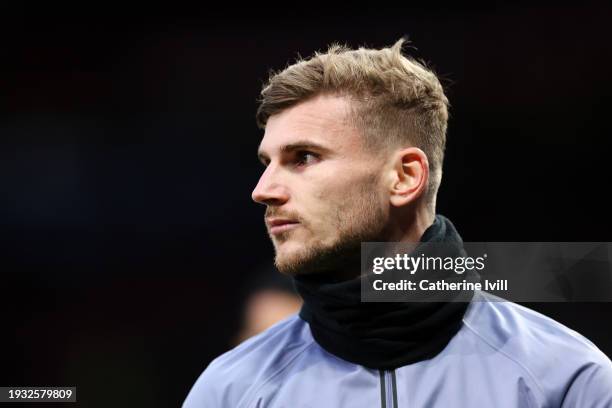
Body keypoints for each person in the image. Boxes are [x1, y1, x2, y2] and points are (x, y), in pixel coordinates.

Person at [183, 39, 612, 407]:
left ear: (405, 177)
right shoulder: (229, 390)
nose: (264, 189)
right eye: (267, 162)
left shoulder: (567, 379)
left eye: (304, 158)